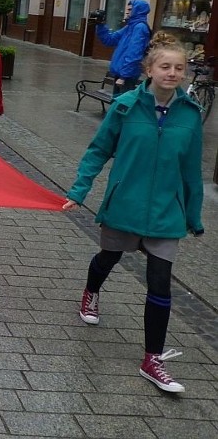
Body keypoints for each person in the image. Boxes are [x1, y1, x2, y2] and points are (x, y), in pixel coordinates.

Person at [62, 33, 203, 394]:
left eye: (179, 68)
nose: (172, 73)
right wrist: (79, 191)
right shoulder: (125, 106)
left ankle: (152, 358)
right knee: (108, 257)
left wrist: (193, 215)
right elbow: (98, 151)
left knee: (160, 281)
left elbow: (191, 170)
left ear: (185, 74)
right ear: (149, 70)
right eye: (165, 67)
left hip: (165, 213)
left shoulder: (190, 115)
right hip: (124, 204)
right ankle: (91, 291)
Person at [96, 0, 152, 95]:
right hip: (121, 73)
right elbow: (110, 40)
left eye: (130, 9)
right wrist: (100, 24)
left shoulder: (140, 28)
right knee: (117, 102)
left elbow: (134, 54)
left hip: (127, 76)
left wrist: (124, 77)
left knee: (122, 104)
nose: (127, 12)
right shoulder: (130, 27)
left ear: (138, 10)